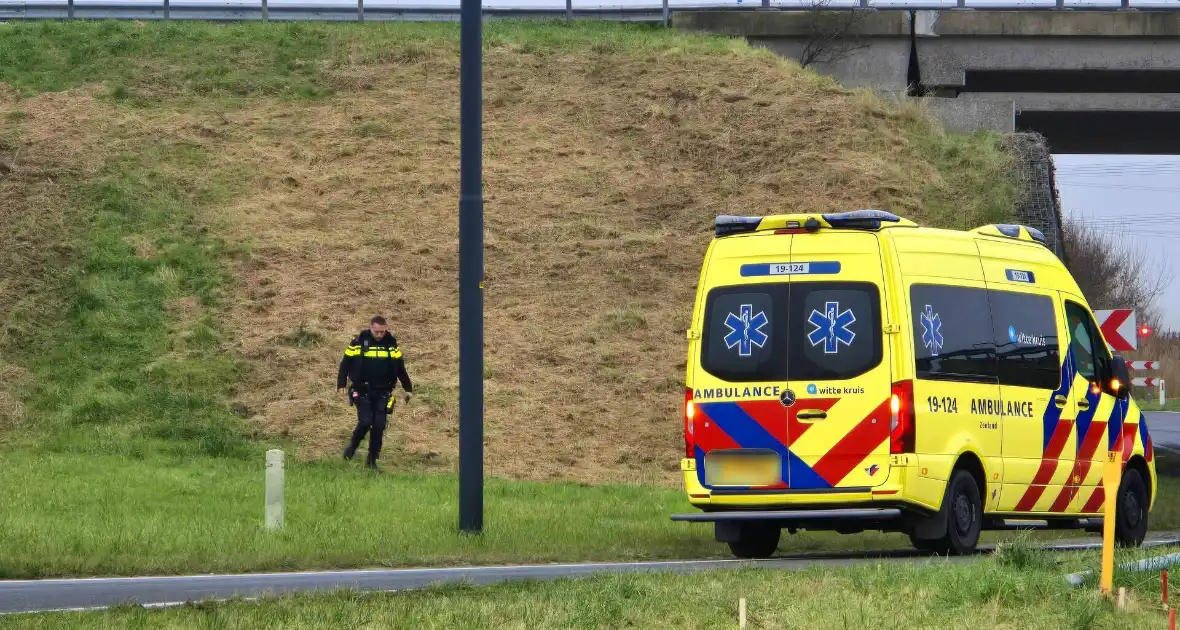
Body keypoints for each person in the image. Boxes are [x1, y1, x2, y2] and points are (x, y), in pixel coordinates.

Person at [337, 315, 412, 470]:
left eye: (382, 332)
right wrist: (341, 383)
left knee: (379, 426)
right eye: (376, 332)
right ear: (370, 327)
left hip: (383, 391)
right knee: (365, 422)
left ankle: (372, 461)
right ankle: (352, 447)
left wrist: (408, 388)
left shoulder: (391, 345)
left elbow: (400, 368)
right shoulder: (358, 342)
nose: (379, 335)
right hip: (362, 389)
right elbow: (345, 363)